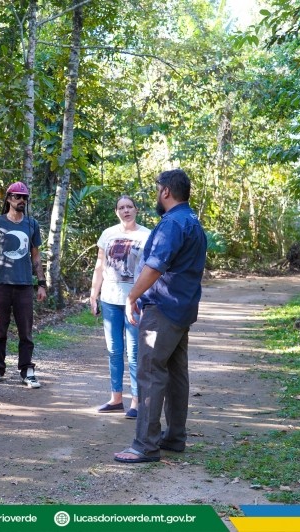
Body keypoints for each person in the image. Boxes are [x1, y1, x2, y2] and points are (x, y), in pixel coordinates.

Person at [114, 169, 207, 464]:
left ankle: (145, 445)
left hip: (163, 309)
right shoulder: (192, 221)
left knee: (150, 372)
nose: (157, 195)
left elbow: (155, 266)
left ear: (166, 191)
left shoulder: (172, 224)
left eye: (158, 190)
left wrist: (132, 297)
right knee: (177, 374)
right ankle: (174, 437)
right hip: (182, 309)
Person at [0, 181, 47, 388]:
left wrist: (41, 283)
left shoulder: (32, 224)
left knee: (25, 330)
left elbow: (36, 256)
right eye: (17, 196)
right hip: (1, 283)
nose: (21, 200)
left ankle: (27, 370)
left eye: (24, 197)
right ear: (9, 198)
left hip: (24, 284)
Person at [90, 195, 150, 417]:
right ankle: (116, 399)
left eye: (129, 207)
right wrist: (93, 294)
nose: (126, 211)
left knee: (134, 352)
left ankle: (136, 401)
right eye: (122, 208)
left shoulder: (146, 235)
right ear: (116, 212)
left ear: (136, 210)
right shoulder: (108, 234)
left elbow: (151, 270)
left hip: (134, 301)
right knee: (114, 350)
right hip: (110, 299)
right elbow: (100, 266)